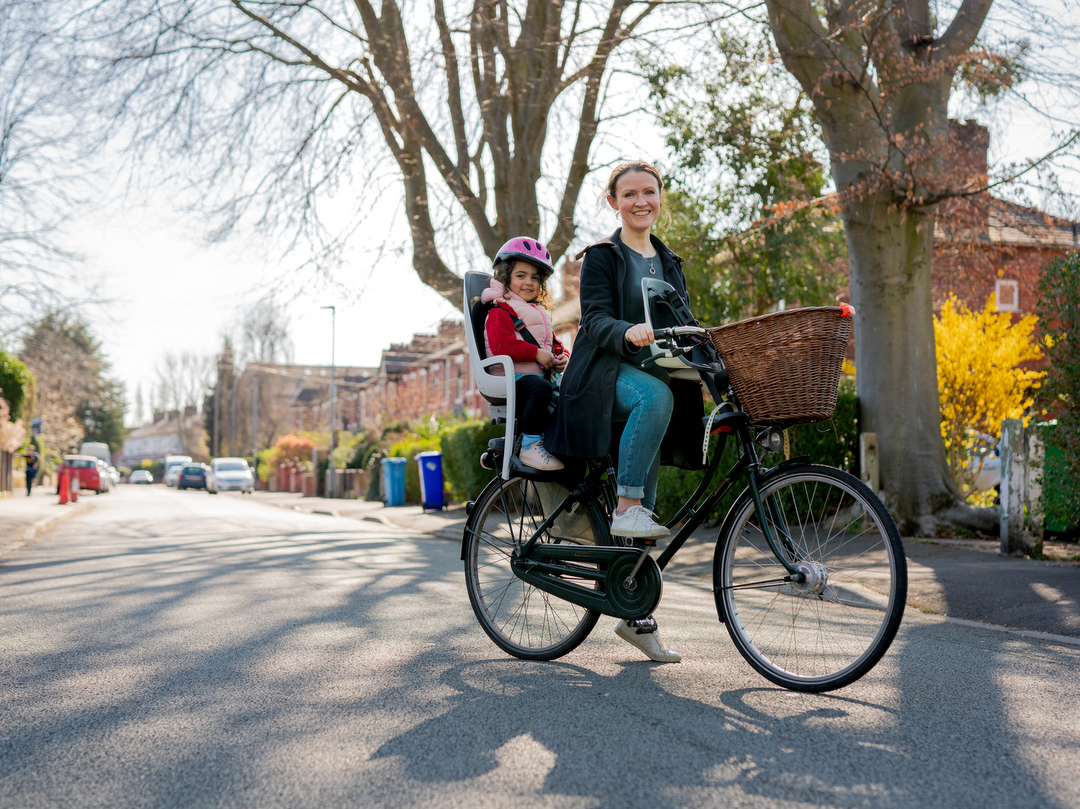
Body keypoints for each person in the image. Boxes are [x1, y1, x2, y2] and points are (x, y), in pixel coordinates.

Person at [546, 160, 705, 663]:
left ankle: (636, 616)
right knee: (653, 403)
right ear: (613, 202)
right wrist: (626, 330)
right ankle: (624, 505)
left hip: (653, 379)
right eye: (630, 194)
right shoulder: (601, 256)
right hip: (601, 378)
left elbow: (684, 320)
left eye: (649, 193)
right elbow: (591, 320)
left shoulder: (669, 261)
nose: (641, 202)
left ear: (660, 198)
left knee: (647, 508)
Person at [483, 237, 570, 472]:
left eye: (535, 277)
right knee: (539, 388)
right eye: (521, 275)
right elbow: (502, 345)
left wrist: (562, 357)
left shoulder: (537, 312)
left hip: (532, 376)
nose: (528, 282)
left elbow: (552, 343)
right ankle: (530, 445)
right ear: (505, 277)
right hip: (510, 377)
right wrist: (535, 354)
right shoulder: (499, 310)